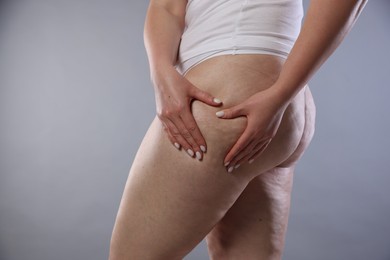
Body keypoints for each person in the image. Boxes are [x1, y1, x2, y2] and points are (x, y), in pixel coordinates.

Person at [109, 0, 367, 259]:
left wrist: (280, 94)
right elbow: (167, 7)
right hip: (285, 109)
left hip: (228, 97)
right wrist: (161, 71)